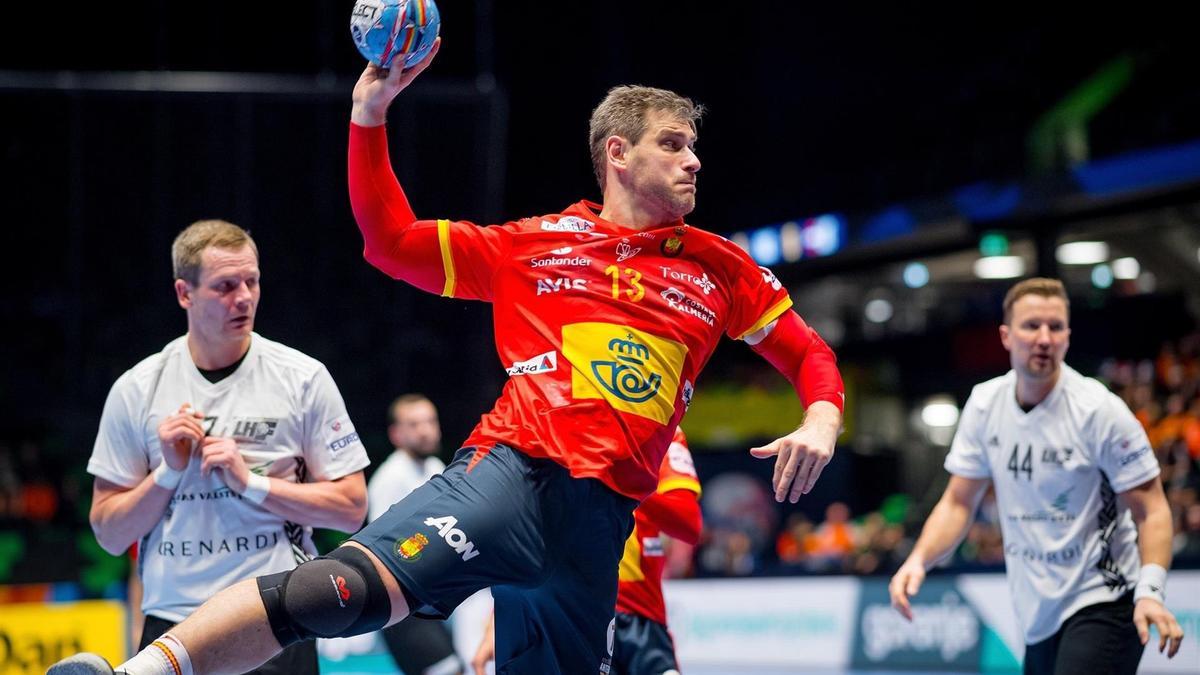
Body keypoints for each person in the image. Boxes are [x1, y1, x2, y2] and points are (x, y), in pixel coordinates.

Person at [51, 40, 843, 675]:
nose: (693, 159)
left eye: (695, 146)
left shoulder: (720, 269)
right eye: (673, 144)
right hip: (514, 473)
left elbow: (808, 353)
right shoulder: (532, 246)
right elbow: (389, 243)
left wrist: (821, 415)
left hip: (599, 526)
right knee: (347, 589)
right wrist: (370, 114)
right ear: (618, 154)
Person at [79, 219, 370, 675]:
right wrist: (168, 475)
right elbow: (110, 535)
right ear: (184, 293)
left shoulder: (303, 377)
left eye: (252, 281)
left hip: (276, 613)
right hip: (173, 624)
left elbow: (352, 508)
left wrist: (250, 484)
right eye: (225, 286)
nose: (245, 297)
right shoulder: (137, 388)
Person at [888, 278, 1185, 674]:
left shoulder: (1100, 411)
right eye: (1031, 326)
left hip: (1105, 596)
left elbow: (1152, 510)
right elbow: (959, 502)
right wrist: (918, 561)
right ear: (1006, 336)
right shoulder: (984, 404)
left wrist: (1150, 591)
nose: (1044, 338)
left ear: (1067, 336)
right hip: (1037, 610)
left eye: (1056, 327)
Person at [470, 428, 703, 675]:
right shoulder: (556, 424)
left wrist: (623, 475)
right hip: (570, 609)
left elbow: (688, 525)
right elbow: (529, 537)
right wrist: (497, 620)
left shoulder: (661, 428)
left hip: (639, 617)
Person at [368, 395, 463, 675]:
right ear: (396, 434)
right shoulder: (390, 478)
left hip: (436, 594)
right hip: (403, 602)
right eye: (414, 424)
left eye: (429, 421)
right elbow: (384, 550)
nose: (424, 430)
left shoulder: (436, 468)